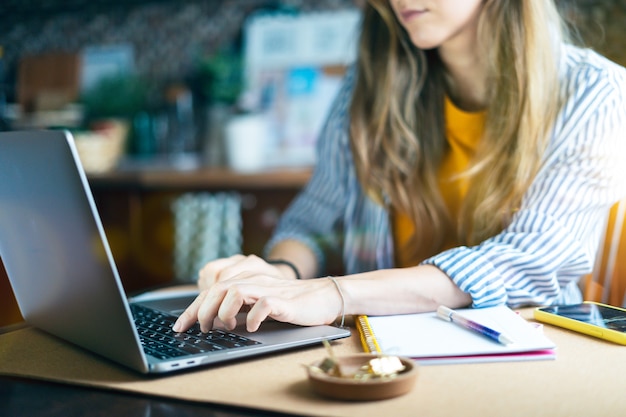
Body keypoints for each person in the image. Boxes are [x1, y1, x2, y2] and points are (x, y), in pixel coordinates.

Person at [173, 0, 626, 334]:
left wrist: (335, 292)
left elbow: (530, 259)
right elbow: (316, 218)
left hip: (521, 361)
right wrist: (279, 273)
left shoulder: (595, 93)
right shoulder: (369, 83)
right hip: (376, 357)